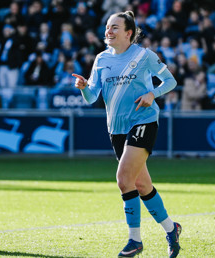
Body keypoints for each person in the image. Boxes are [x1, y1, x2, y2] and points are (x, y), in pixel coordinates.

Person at [72, 11, 182, 258]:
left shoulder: (143, 55)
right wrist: (82, 88)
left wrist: (152, 94)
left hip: (143, 120)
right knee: (141, 184)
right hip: (116, 129)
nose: (108, 32)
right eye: (107, 27)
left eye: (114, 28)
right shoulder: (101, 59)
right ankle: (171, 228)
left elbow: (170, 81)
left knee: (123, 179)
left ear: (128, 33)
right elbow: (91, 97)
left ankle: (135, 240)